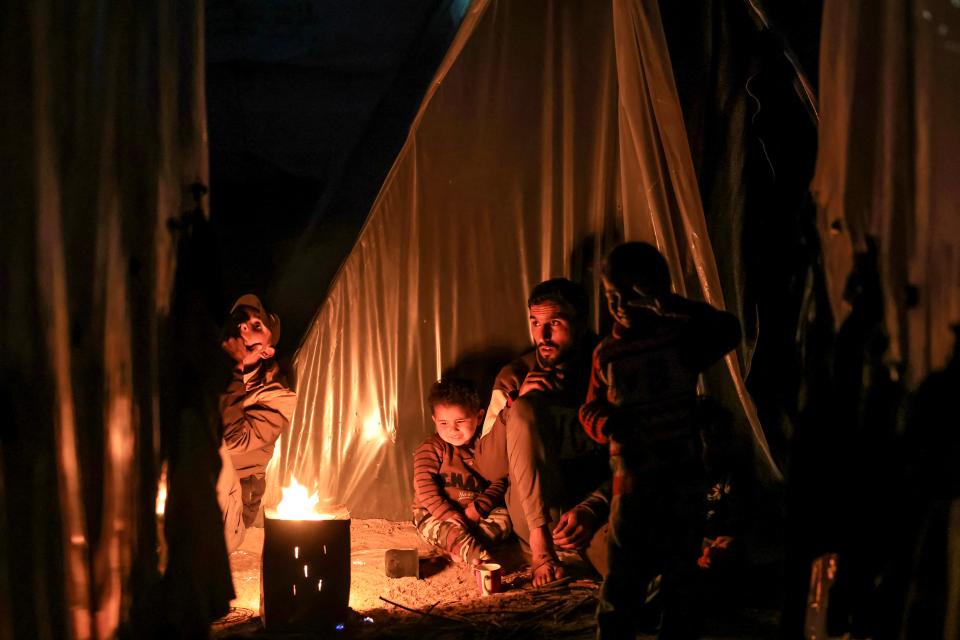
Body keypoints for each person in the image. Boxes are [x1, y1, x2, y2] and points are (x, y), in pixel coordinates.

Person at [579, 242, 742, 639]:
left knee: (679, 575)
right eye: (611, 295)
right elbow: (590, 408)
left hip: (682, 477)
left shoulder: (679, 340)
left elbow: (729, 329)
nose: (619, 305)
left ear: (656, 290)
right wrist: (607, 422)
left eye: (631, 294)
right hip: (632, 481)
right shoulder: (608, 353)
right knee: (621, 575)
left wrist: (673, 306)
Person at [475, 278, 610, 587]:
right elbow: (488, 468)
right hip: (538, 515)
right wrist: (513, 407)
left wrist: (594, 506)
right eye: (535, 323)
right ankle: (542, 553)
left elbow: (639, 453)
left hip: (590, 514)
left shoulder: (608, 371)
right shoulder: (515, 375)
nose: (543, 335)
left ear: (580, 324)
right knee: (523, 409)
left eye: (555, 323)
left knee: (634, 576)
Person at [215, 294, 297, 550]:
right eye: (240, 321)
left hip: (238, 493)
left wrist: (235, 368)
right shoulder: (213, 373)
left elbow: (233, 440)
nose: (244, 327)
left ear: (266, 349)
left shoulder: (278, 396)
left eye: (256, 325)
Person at [412, 379, 512, 565]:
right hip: (438, 514)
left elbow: (501, 480)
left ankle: (459, 548)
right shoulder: (431, 448)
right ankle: (480, 560)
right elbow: (425, 488)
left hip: (476, 513)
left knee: (504, 520)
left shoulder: (484, 448)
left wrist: (478, 508)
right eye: (443, 422)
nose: (452, 429)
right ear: (434, 420)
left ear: (479, 417)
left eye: (460, 421)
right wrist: (448, 514)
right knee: (446, 530)